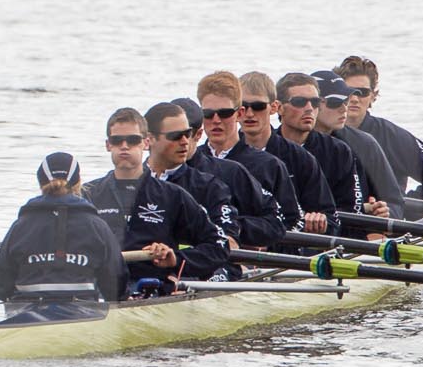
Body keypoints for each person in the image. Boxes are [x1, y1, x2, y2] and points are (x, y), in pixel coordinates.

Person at [82, 107, 230, 293]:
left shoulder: (172, 196)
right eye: (117, 140)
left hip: (151, 287)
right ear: (108, 145)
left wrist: (174, 259)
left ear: (146, 142)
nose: (125, 146)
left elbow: (219, 245)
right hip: (99, 289)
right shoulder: (88, 195)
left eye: (133, 140)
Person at [0, 152, 128, 310]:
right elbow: (115, 284)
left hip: (27, 315)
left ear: (40, 183)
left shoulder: (20, 226)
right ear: (78, 183)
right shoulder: (97, 225)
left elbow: (2, 286)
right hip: (83, 316)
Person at [336, 54, 423, 212]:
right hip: (343, 216)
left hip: (383, 222)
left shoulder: (392, 136)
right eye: (349, 91)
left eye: (362, 92)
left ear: (373, 96)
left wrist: (402, 209)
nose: (355, 98)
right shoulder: (324, 133)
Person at [196, 71, 303, 242]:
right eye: (208, 114)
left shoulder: (269, 165)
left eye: (224, 113)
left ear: (239, 114)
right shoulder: (191, 163)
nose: (216, 120)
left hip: (251, 259)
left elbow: (292, 223)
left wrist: (234, 227)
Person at [174, 94, 288, 247]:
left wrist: (235, 227)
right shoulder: (144, 178)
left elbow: (277, 223)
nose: (180, 142)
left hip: (216, 260)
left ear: (198, 134)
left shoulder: (228, 173)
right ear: (151, 139)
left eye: (185, 135)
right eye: (171, 136)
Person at [238, 71, 335, 235]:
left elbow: (333, 220)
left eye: (258, 106)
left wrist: (319, 221)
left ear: (274, 108)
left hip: (287, 247)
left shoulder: (301, 159)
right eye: (242, 107)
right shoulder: (218, 157)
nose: (249, 114)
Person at [142, 100, 238, 247]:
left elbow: (228, 243)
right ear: (149, 140)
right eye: (176, 136)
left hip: (188, 267)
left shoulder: (210, 187)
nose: (185, 141)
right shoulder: (127, 185)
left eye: (187, 134)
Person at [277, 71, 365, 226]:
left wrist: (323, 221)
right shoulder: (264, 149)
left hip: (324, 237)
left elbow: (353, 210)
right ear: (278, 108)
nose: (309, 108)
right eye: (299, 102)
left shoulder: (339, 152)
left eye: (315, 102)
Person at [315, 72, 407, 219]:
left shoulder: (365, 144)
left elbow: (394, 202)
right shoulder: (286, 145)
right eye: (335, 102)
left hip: (357, 229)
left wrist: (385, 214)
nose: (344, 108)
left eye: (345, 101)